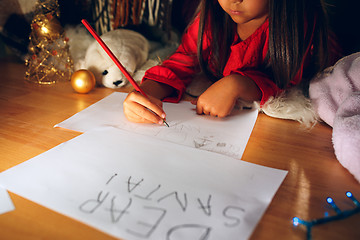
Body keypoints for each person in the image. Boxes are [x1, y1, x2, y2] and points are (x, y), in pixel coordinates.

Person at [123, 0, 339, 124]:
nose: (233, 0)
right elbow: (182, 60)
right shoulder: (213, 16)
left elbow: (287, 81)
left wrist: (237, 84)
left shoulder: (297, 21)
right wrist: (147, 92)